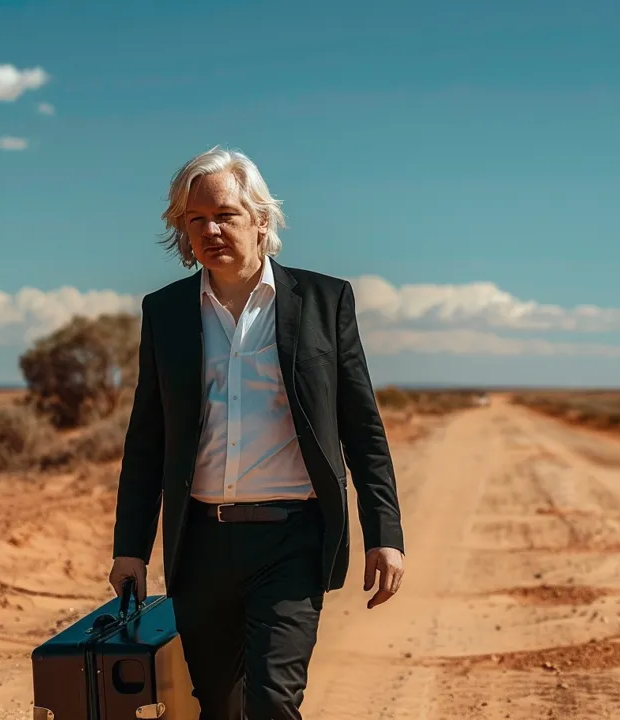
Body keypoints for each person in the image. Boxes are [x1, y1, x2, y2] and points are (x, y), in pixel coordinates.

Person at [107, 146, 406, 719]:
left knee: (273, 701)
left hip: (291, 539)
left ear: (261, 220)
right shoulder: (166, 312)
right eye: (195, 220)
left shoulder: (324, 302)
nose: (210, 230)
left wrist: (384, 532)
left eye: (225, 215)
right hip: (200, 544)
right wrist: (130, 551)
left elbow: (362, 428)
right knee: (218, 705)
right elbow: (147, 440)